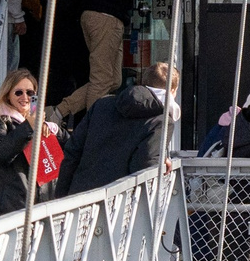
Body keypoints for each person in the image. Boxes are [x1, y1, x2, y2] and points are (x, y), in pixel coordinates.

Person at [59, 64, 179, 195]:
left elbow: (73, 151)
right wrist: (160, 162)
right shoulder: (161, 121)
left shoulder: (102, 105)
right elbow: (144, 168)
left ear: (143, 82)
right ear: (173, 90)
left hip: (80, 195)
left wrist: (61, 195)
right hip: (118, 201)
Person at [0, 70, 56, 217]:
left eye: (30, 93)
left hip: (38, 209)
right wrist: (28, 127)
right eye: (18, 92)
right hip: (9, 210)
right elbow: (0, 155)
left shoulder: (43, 126)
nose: (25, 97)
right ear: (8, 95)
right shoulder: (0, 123)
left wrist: (54, 130)